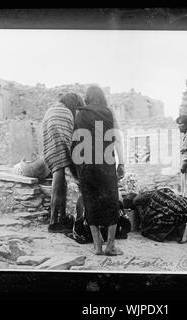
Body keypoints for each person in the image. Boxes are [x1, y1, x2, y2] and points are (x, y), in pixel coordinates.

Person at [71, 85, 125, 255]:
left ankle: (96, 247)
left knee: (91, 203)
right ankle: (110, 246)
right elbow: (116, 138)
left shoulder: (80, 114)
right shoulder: (108, 113)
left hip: (86, 165)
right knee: (111, 204)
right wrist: (121, 163)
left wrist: (77, 169)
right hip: (106, 163)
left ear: (87, 98)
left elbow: (75, 142)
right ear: (102, 97)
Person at [42, 93, 85, 233]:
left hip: (50, 149)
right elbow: (71, 135)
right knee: (59, 186)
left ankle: (60, 220)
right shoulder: (66, 112)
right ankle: (53, 223)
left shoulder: (52, 109)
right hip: (61, 148)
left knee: (61, 185)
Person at [122, 188, 187, 243]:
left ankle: (182, 229)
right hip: (185, 206)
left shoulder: (136, 201)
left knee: (149, 231)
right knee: (173, 215)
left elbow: (145, 217)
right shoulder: (150, 192)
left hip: (174, 211)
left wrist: (142, 227)